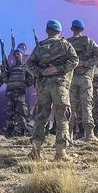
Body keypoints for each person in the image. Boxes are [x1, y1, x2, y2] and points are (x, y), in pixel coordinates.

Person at [26, 19, 79, 161]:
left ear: (47, 31)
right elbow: (74, 60)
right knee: (62, 116)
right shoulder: (64, 44)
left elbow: (29, 65)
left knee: (41, 116)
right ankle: (60, 153)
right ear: (59, 31)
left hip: (43, 87)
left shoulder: (39, 47)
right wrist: (59, 68)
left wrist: (41, 72)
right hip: (59, 85)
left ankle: (36, 151)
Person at [66, 19, 98, 141]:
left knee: (70, 106)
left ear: (72, 29)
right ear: (82, 29)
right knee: (86, 105)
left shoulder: (67, 43)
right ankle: (89, 134)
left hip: (71, 78)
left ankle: (69, 134)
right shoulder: (88, 41)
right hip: (85, 78)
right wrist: (86, 63)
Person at [4, 49, 33, 137]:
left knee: (22, 112)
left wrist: (23, 85)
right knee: (9, 112)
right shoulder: (11, 68)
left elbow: (31, 79)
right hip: (10, 93)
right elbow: (5, 80)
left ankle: (24, 132)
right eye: (15, 54)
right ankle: (10, 133)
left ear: (22, 56)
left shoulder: (26, 67)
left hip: (20, 93)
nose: (16, 56)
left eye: (18, 54)